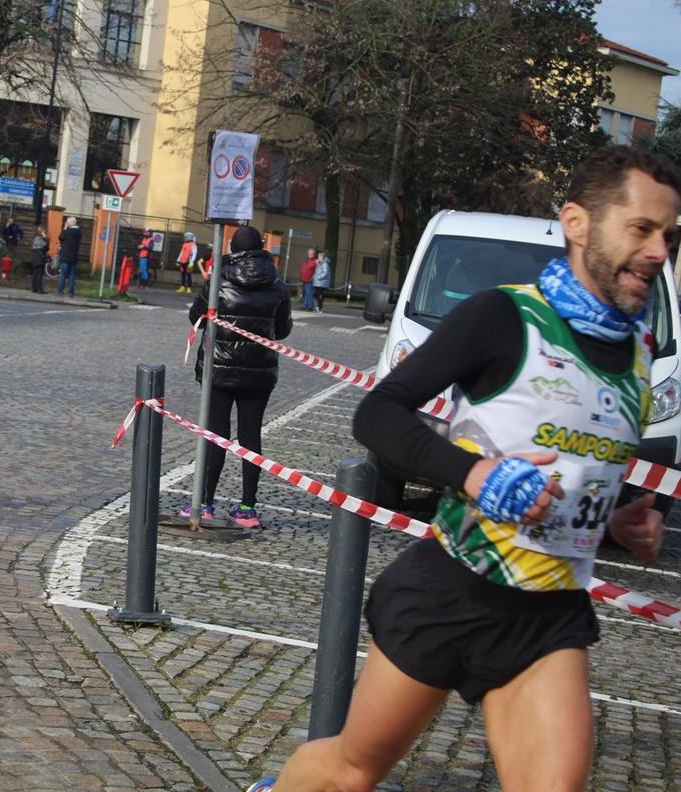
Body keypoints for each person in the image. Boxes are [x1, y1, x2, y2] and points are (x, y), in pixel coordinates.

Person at [259, 145, 677, 792]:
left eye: (669, 237)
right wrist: (476, 475)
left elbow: (578, 472)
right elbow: (379, 414)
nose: (658, 252)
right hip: (453, 589)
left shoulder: (642, 353)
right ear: (577, 222)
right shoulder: (504, 316)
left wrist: (618, 523)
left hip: (549, 614)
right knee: (352, 771)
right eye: (642, 229)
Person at [181, 226, 292, 526]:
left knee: (216, 435)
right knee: (251, 436)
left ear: (233, 248)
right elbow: (282, 330)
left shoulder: (219, 279)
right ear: (261, 247)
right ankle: (247, 507)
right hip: (259, 373)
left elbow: (196, 317)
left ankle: (205, 503)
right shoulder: (277, 284)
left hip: (219, 369)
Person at [56, 215, 82, 297]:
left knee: (63, 275)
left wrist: (65, 228)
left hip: (65, 256)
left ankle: (60, 292)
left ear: (69, 223)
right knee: (72, 275)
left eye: (67, 222)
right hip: (74, 257)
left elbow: (60, 237)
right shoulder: (78, 232)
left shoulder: (68, 231)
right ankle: (71, 293)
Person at [30, 225, 50, 293]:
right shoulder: (42, 239)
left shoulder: (36, 238)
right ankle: (39, 289)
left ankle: (34, 288)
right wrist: (46, 237)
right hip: (40, 257)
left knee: (35, 273)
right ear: (43, 231)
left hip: (35, 257)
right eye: (45, 231)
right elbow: (46, 247)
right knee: (39, 273)